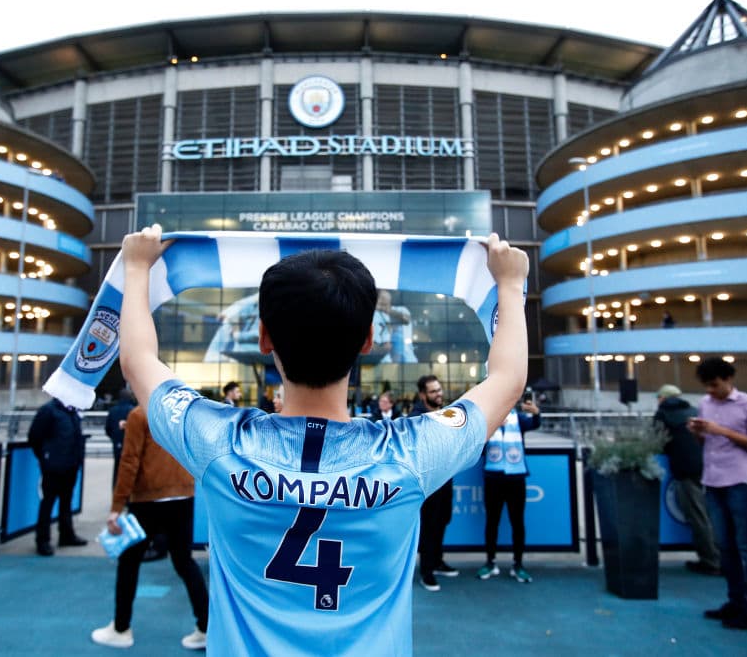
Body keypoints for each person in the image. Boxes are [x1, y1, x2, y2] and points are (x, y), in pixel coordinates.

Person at [118, 224, 529, 655]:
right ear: (369, 340)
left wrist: (136, 267)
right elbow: (507, 379)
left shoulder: (221, 442)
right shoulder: (410, 453)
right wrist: (510, 281)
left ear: (263, 337)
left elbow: (138, 361)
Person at [91, 407, 209, 651]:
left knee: (129, 562)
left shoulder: (139, 415)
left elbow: (130, 460)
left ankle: (121, 628)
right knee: (184, 562)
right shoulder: (182, 411)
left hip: (147, 499)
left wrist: (117, 505)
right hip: (183, 494)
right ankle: (207, 627)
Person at [691, 357, 747, 631]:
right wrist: (699, 433)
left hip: (741, 481)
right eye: (707, 387)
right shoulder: (705, 404)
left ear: (728, 380)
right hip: (713, 481)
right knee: (726, 547)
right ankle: (736, 601)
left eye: (714, 385)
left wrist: (721, 431)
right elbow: (708, 442)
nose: (711, 391)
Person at [654, 384, 720, 576]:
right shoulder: (694, 411)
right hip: (707, 465)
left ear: (662, 399)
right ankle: (723, 556)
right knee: (712, 513)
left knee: (697, 515)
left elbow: (657, 441)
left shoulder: (663, 414)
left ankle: (711, 560)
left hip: (685, 468)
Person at [477, 394, 541, 583]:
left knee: (517, 522)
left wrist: (537, 414)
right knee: (492, 521)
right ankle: (490, 562)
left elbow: (534, 424)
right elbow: (479, 446)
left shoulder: (519, 418)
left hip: (516, 477)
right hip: (493, 477)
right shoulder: (488, 419)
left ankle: (518, 564)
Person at [413, 374, 459, 591]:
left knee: (443, 520)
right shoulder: (416, 418)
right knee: (429, 527)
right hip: (428, 483)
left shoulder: (448, 413)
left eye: (439, 389)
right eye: (433, 391)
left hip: (446, 480)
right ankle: (426, 571)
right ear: (423, 395)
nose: (438, 394)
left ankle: (438, 561)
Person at [28, 397, 88, 556]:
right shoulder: (49, 410)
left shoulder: (72, 410)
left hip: (70, 464)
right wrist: (45, 456)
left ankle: (66, 533)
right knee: (48, 502)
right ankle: (43, 539)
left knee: (66, 501)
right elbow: (34, 436)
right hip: (53, 465)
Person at [104, 388, 137, 486]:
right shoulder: (133, 411)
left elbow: (107, 428)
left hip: (117, 444)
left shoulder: (112, 410)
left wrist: (114, 438)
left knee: (117, 470)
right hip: (130, 445)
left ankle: (115, 491)